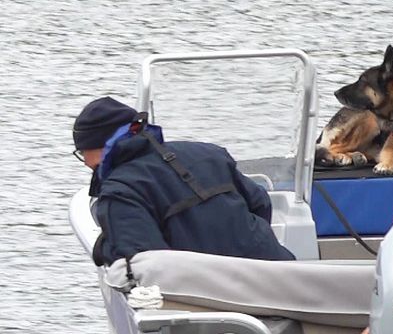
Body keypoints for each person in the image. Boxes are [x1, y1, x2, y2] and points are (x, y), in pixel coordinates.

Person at [72, 96, 295, 265]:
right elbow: (260, 203)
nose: (84, 162)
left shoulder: (119, 190)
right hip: (278, 272)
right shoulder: (209, 153)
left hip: (218, 298)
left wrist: (105, 247)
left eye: (82, 153)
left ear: (101, 146)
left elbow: (146, 262)